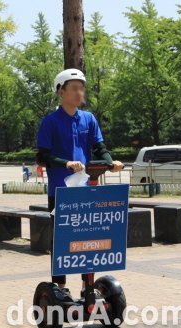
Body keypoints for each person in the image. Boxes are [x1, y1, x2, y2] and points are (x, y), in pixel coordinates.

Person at [36, 69, 124, 299]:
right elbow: (42, 156)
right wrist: (66, 163)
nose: (79, 92)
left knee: (89, 239)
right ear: (61, 91)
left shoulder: (89, 119)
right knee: (62, 241)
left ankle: (88, 286)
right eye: (74, 88)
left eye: (81, 87)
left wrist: (110, 162)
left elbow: (99, 148)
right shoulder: (51, 122)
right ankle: (60, 287)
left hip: (86, 190)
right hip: (60, 192)